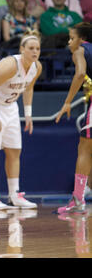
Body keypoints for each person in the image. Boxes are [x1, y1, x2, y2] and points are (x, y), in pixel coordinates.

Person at [0, 30, 42, 209]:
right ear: (22, 49)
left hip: (10, 106)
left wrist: (28, 114)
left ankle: (14, 194)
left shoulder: (37, 67)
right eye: (31, 48)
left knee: (14, 151)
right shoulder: (10, 65)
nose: (35, 52)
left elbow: (28, 89)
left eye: (38, 48)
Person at [55, 22, 92, 214]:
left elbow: (80, 74)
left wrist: (67, 102)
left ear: (81, 39)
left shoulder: (79, 50)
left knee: (84, 147)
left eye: (71, 38)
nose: (69, 42)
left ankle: (78, 199)